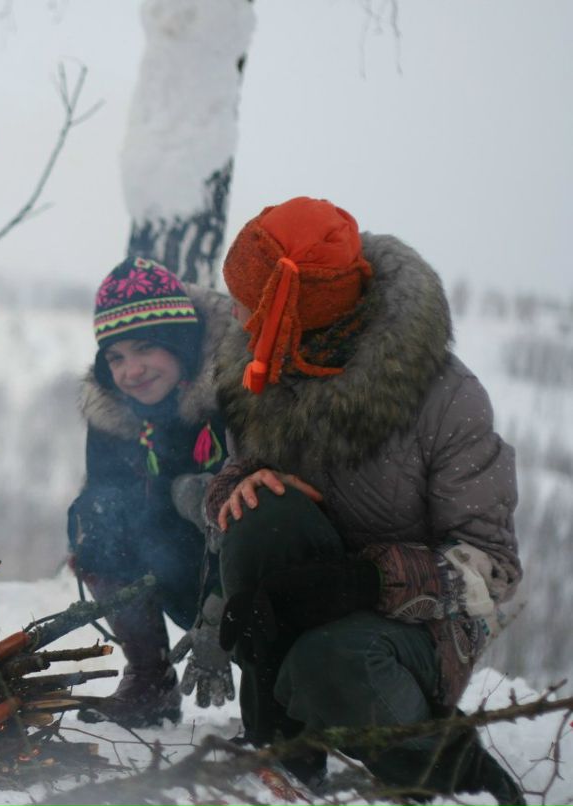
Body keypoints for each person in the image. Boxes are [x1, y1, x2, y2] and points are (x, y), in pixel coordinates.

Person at [206, 197, 524, 803]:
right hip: (305, 596)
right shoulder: (260, 367)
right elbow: (231, 476)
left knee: (331, 659)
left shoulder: (447, 401)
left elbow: (495, 571)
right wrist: (234, 487)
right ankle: (282, 750)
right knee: (258, 518)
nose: (239, 316)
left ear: (297, 315)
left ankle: (453, 775)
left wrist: (361, 581)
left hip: (416, 630)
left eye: (252, 303)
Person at [66, 256, 237, 727]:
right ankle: (149, 677)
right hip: (179, 568)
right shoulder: (115, 415)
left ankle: (288, 693)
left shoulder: (236, 390)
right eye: (116, 357)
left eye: (145, 349)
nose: (131, 371)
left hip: (249, 573)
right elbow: (104, 498)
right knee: (96, 514)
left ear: (180, 344)